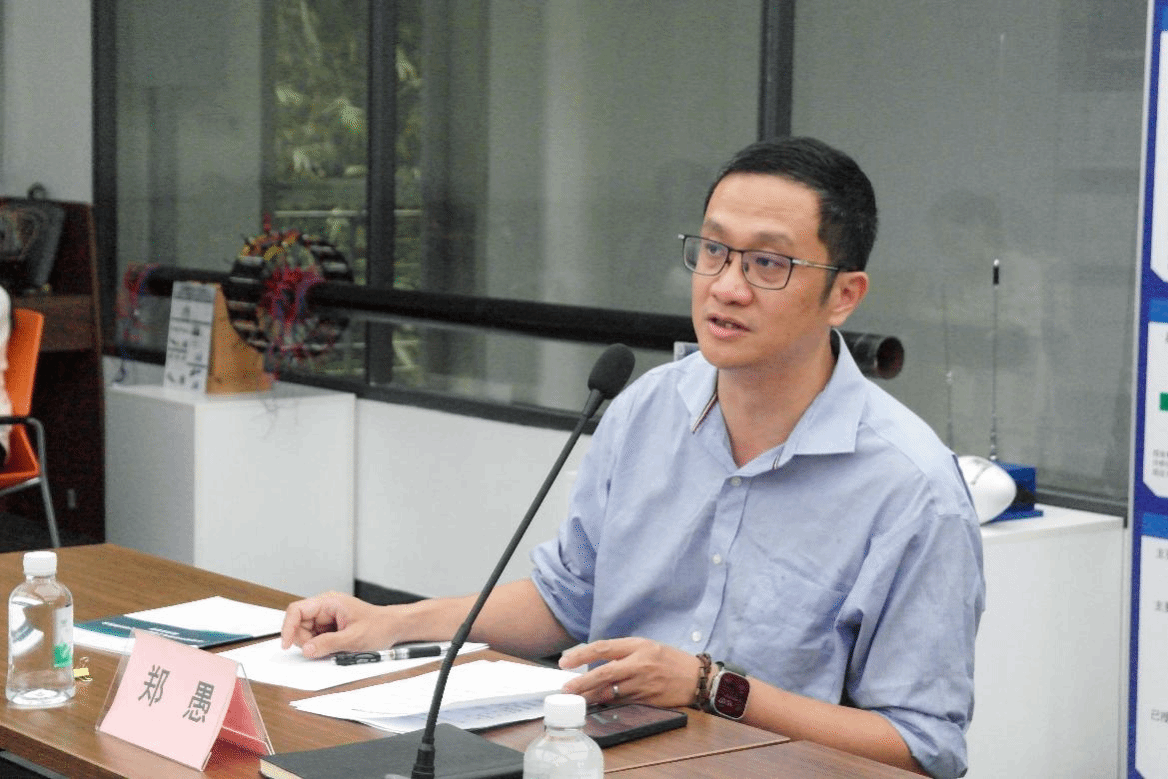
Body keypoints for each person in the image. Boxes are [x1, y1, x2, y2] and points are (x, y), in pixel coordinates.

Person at [281, 137, 985, 779]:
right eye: (713, 250)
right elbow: (567, 599)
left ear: (844, 296)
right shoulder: (645, 408)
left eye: (768, 263)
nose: (727, 285)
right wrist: (391, 622)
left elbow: (921, 745)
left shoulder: (911, 487)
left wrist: (713, 687)